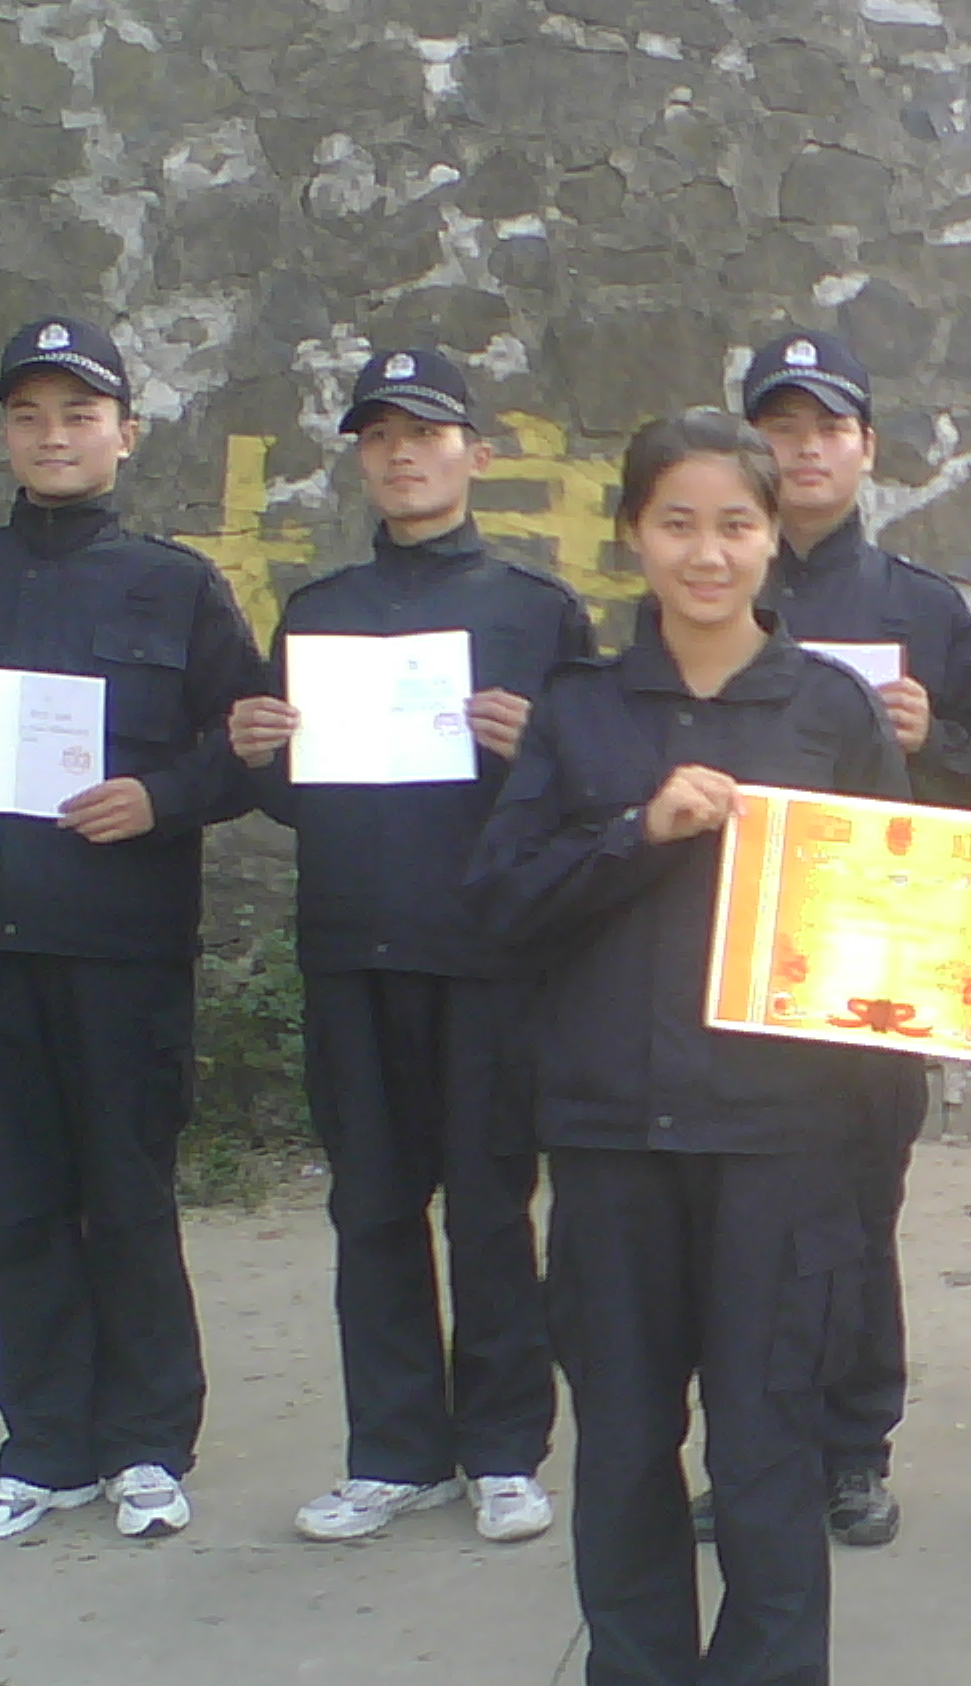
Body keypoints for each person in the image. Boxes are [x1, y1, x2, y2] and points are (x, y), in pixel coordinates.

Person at [467, 409, 907, 1686]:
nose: (707, 553)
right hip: (612, 1133)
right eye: (677, 523)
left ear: (775, 537)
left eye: (735, 524)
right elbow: (501, 902)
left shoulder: (829, 712)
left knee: (768, 1441)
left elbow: (900, 920)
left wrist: (869, 1130)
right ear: (632, 537)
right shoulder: (583, 710)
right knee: (623, 1438)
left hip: (782, 1137)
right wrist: (635, 833)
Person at [0, 317, 265, 1543]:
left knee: (126, 1193)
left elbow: (247, 744)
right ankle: (40, 1447)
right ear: (5, 433)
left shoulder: (177, 585)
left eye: (79, 415)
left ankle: (147, 1444)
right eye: (29, 415)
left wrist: (162, 797)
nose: (53, 437)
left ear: (124, 434)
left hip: (123, 944)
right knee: (11, 1201)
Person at [226, 348, 593, 1545]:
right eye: (380, 437)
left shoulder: (535, 611)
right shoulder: (319, 613)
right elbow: (293, 797)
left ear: (474, 455)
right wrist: (260, 751)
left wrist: (538, 749)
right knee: (372, 1208)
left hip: (487, 953)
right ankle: (394, 1452)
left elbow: (591, 793)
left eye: (425, 435)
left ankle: (503, 1450)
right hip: (352, 948)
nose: (401, 456)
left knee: (490, 1208)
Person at [723, 329, 971, 1547]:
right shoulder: (710, 595)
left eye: (826, 429)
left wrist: (936, 737)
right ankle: (753, 1454)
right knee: (737, 1222)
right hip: (738, 952)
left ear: (866, 447)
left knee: (855, 1211)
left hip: (878, 953)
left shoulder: (922, 611)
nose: (804, 451)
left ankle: (852, 1449)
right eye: (779, 429)